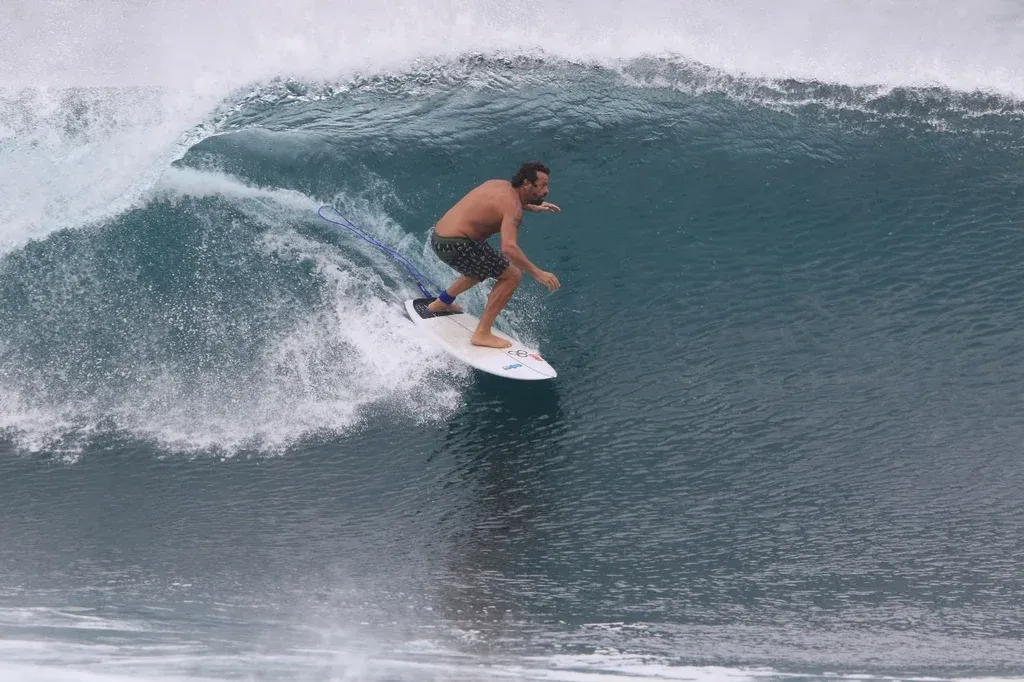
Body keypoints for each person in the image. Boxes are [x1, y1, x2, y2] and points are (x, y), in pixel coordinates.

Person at [427, 161, 562, 349]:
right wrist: (538, 273)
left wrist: (532, 206)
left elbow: (502, 204)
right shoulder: (513, 209)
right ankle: (482, 334)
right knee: (512, 275)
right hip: (457, 244)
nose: (547, 190)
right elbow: (508, 248)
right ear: (526, 184)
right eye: (542, 186)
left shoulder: (497, 184)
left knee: (481, 266)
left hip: (438, 238)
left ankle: (442, 302)